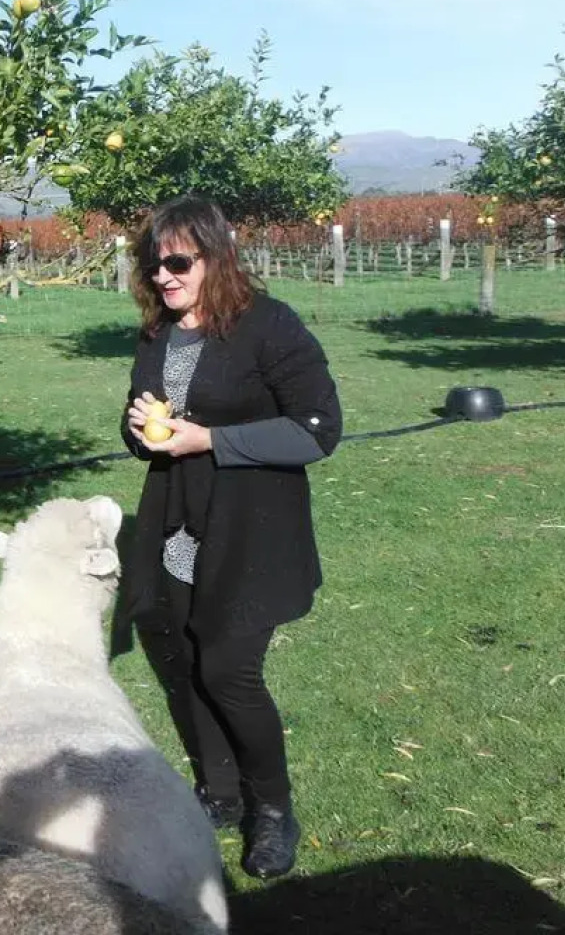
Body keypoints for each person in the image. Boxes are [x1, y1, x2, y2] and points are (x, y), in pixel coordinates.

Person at [118, 195, 341, 880]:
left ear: (216, 256)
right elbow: (144, 421)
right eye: (153, 263)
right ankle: (219, 793)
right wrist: (136, 429)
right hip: (181, 524)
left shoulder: (269, 326)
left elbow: (316, 429)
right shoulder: (160, 335)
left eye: (178, 260)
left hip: (252, 532)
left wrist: (209, 439)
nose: (163, 275)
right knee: (186, 658)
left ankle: (272, 808)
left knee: (228, 669)